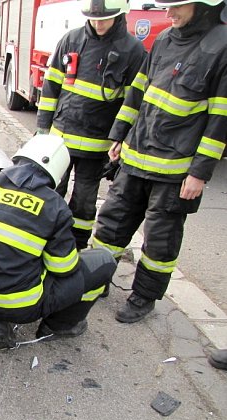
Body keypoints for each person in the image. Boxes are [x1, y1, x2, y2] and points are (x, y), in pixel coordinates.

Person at [92, 0, 227, 323]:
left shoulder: (221, 46)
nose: (168, 14)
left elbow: (220, 119)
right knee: (111, 223)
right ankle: (96, 279)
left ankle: (143, 297)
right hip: (136, 157)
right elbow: (137, 93)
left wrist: (200, 173)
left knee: (161, 240)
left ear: (203, 5)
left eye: (176, 7)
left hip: (175, 170)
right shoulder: (165, 39)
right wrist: (119, 135)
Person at [0, 135, 117, 349]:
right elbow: (64, 269)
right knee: (103, 262)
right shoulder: (55, 207)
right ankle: (60, 326)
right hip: (22, 307)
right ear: (58, 172)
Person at [36, 0, 146, 251]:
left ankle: (75, 249)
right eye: (93, 18)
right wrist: (43, 128)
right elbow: (51, 86)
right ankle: (43, 242)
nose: (98, 23)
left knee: (84, 204)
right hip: (59, 141)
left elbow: (133, 104)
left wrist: (121, 141)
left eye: (104, 19)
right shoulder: (71, 40)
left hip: (97, 147)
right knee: (49, 193)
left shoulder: (132, 51)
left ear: (119, 15)